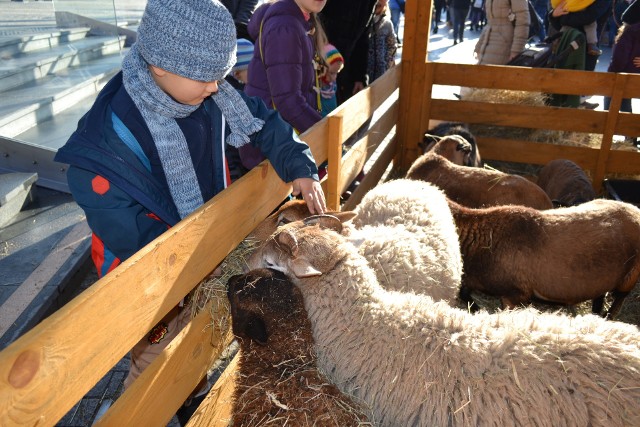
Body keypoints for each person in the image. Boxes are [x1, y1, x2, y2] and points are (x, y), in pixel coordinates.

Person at [53, 0, 326, 409]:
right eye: (207, 77)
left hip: (204, 250)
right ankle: (132, 411)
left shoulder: (203, 92)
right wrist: (194, 262)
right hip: (143, 277)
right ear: (161, 66)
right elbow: (125, 228)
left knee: (196, 338)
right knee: (154, 355)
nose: (219, 86)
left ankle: (191, 394)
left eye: (220, 74)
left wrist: (298, 164)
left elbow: (262, 119)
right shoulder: (110, 141)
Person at [242, 0, 328, 169]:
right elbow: (288, 101)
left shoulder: (298, 20)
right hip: (273, 146)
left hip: (276, 138)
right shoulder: (285, 26)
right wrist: (326, 135)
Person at [320, 0, 378, 104]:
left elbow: (362, 37)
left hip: (345, 72)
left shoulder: (368, 3)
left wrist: (359, 77)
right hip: (321, 69)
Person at [604, 0, 640, 132]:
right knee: (625, 103)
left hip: (622, 76)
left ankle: (605, 131)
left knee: (610, 101)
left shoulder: (630, 32)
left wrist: (611, 72)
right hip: (633, 76)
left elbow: (619, 59)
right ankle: (630, 137)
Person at [474, 0, 531, 64]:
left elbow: (522, 22)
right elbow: (490, 22)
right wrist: (479, 46)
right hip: (487, 46)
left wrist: (516, 50)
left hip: (506, 45)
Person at [368, 0, 398, 80]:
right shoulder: (365, 22)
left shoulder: (387, 23)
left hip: (381, 71)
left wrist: (387, 63)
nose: (378, 2)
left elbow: (392, 45)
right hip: (365, 71)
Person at [320, 43, 344, 116]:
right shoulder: (315, 87)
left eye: (337, 73)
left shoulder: (332, 85)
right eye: (331, 73)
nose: (334, 78)